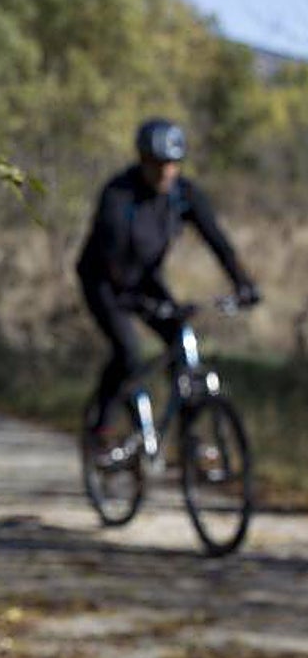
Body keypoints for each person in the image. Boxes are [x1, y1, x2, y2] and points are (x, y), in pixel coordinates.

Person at [76, 118, 260, 438]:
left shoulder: (183, 195)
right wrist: (139, 302)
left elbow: (218, 241)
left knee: (181, 343)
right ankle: (102, 424)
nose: (165, 172)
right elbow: (111, 252)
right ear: (143, 160)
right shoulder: (119, 195)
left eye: (172, 164)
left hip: (145, 278)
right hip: (103, 281)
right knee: (128, 351)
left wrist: (244, 284)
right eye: (158, 164)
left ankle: (188, 438)